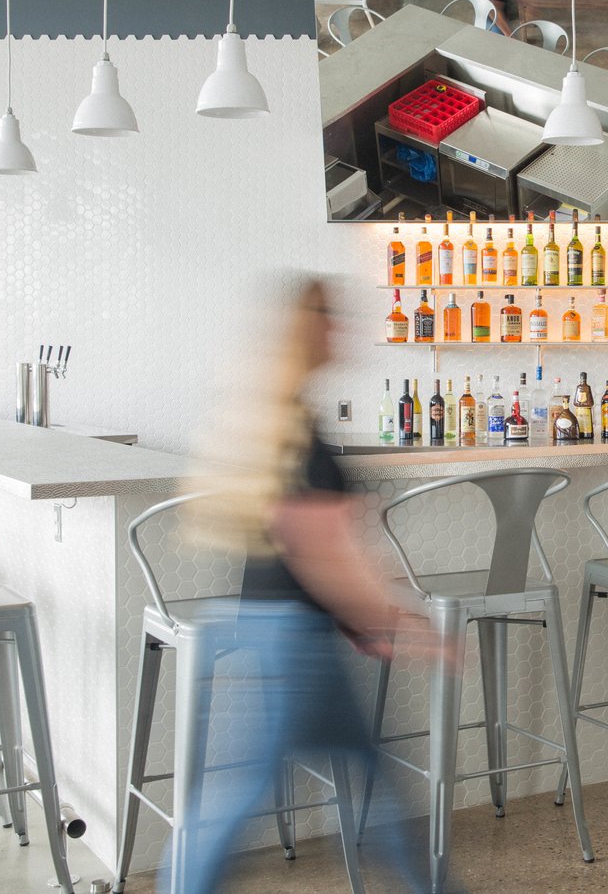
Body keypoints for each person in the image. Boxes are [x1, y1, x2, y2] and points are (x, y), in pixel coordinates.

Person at [174, 277, 436, 893]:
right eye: (329, 316)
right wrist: (391, 620)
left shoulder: (276, 416)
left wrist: (365, 619)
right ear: (307, 328)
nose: (339, 328)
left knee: (373, 780)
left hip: (281, 629)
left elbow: (307, 549)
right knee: (242, 798)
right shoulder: (295, 429)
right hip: (295, 641)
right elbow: (319, 553)